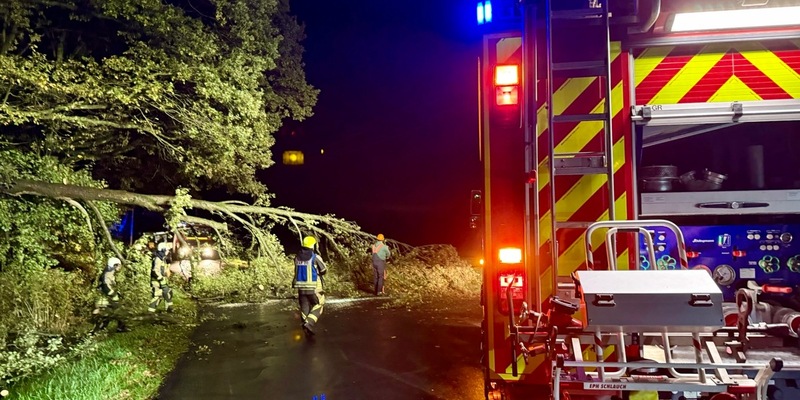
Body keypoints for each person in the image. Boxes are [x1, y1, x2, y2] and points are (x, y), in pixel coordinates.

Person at [293, 236, 327, 336]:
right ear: (313, 246)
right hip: (314, 288)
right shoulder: (315, 257)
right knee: (319, 304)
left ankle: (306, 327)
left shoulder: (297, 257)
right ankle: (309, 323)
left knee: (304, 308)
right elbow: (324, 270)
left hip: (301, 288)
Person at [92, 257, 129, 333]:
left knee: (108, 316)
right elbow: (106, 286)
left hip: (105, 299)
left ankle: (119, 328)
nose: (120, 267)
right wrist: (113, 294)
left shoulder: (109, 273)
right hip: (104, 300)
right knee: (118, 312)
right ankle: (120, 328)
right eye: (119, 265)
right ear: (114, 265)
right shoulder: (108, 274)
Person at [148, 242, 174, 313]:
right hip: (156, 281)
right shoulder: (158, 259)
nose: (168, 251)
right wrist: (161, 279)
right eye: (167, 250)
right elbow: (155, 271)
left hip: (160, 280)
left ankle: (169, 309)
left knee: (168, 292)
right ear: (163, 250)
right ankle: (150, 312)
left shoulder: (162, 258)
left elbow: (163, 270)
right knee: (158, 295)